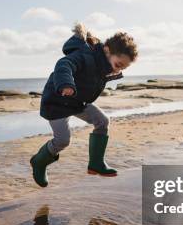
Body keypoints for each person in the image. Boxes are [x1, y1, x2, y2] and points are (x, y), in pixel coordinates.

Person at [30, 24, 138, 187]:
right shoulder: (85, 56)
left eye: (123, 67)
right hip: (57, 101)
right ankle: (39, 161)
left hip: (77, 102)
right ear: (107, 51)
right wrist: (66, 84)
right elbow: (63, 65)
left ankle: (96, 163)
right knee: (63, 141)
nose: (118, 70)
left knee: (102, 121)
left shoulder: (104, 66)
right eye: (118, 64)